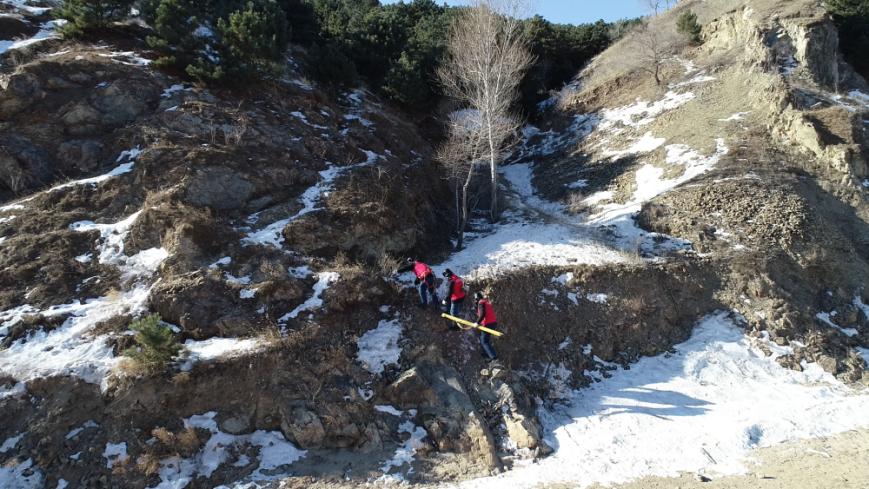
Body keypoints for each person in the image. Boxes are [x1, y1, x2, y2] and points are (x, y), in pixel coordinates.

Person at [473, 291, 498, 361]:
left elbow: (482, 314)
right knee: (484, 339)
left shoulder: (481, 303)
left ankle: (494, 358)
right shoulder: (486, 302)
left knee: (484, 341)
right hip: (493, 323)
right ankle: (487, 354)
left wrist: (477, 323)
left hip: (488, 323)